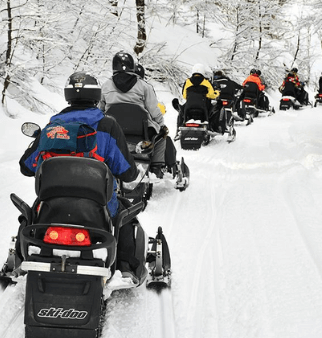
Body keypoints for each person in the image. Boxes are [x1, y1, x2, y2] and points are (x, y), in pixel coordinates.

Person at [16, 71, 146, 284]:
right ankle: (125, 269)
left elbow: (26, 166)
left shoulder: (52, 127)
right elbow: (127, 171)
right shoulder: (108, 126)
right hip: (97, 208)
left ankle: (19, 262)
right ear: (96, 97)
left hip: (52, 207)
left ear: (68, 96)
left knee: (30, 215)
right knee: (125, 217)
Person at [99, 52, 169, 178]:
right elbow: (153, 109)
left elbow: (100, 110)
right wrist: (161, 125)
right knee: (162, 138)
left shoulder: (105, 86)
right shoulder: (144, 86)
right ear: (132, 66)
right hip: (141, 133)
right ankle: (156, 167)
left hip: (113, 132)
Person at [175, 63, 220, 135]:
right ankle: (213, 128)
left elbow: (184, 95)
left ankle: (178, 131)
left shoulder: (188, 81)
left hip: (189, 106)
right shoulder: (206, 82)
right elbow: (211, 95)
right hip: (203, 106)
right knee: (215, 109)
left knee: (181, 111)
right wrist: (217, 93)